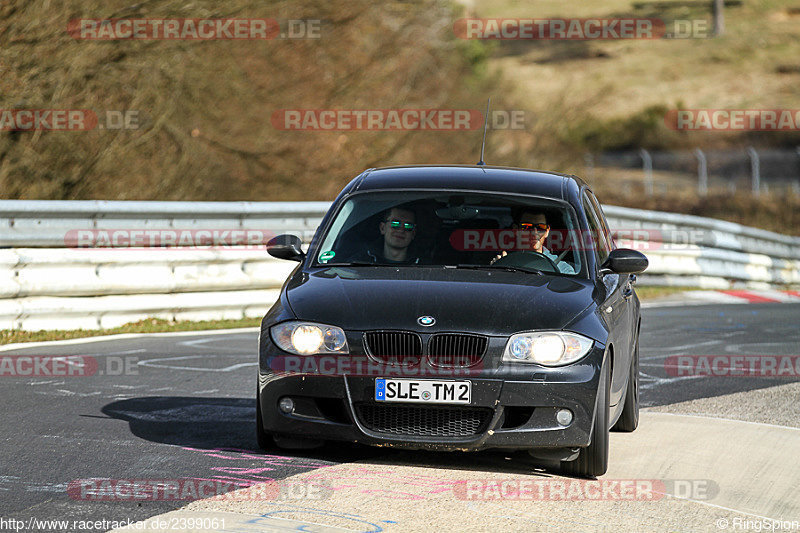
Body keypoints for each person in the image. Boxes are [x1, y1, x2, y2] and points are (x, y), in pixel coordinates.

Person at [492, 209, 575, 274]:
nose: (534, 233)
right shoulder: (504, 263)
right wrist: (496, 270)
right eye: (527, 227)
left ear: (547, 231)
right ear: (515, 230)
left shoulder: (563, 269)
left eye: (540, 227)